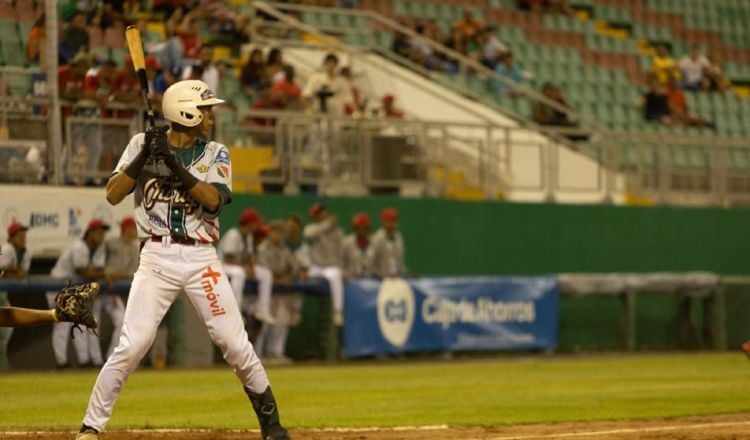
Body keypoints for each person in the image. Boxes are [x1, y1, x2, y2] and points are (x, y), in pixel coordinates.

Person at [75, 79, 289, 440]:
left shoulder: (216, 152)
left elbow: (213, 200)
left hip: (200, 257)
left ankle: (272, 426)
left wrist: (172, 163)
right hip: (156, 257)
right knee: (133, 345)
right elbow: (113, 195)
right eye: (204, 110)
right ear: (185, 112)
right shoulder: (140, 144)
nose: (210, 116)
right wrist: (146, 155)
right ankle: (90, 428)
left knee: (235, 344)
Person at [48, 219, 109, 369]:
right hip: (58, 284)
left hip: (74, 287)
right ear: (90, 233)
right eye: (99, 233)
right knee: (62, 324)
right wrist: (104, 275)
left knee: (80, 323)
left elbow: (99, 269)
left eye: (103, 233)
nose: (102, 236)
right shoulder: (79, 246)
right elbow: (80, 270)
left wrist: (105, 274)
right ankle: (61, 362)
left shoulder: (99, 248)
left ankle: (84, 360)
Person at [254, 221, 302, 364]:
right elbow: (264, 270)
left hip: (279, 292)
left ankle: (276, 352)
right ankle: (257, 354)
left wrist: (288, 275)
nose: (279, 235)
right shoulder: (263, 248)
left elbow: (295, 267)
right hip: (260, 293)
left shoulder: (284, 249)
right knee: (264, 322)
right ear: (269, 232)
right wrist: (281, 276)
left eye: (281, 232)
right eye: (276, 232)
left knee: (282, 320)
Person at [218, 208, 276, 324]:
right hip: (222, 265)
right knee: (239, 273)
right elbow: (229, 258)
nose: (257, 225)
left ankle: (262, 309)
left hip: (238, 266)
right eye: (255, 222)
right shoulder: (233, 234)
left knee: (266, 274)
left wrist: (251, 267)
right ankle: (236, 311)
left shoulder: (248, 236)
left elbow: (249, 257)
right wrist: (246, 268)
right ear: (249, 223)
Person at [100, 217, 139, 359]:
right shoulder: (109, 244)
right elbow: (99, 263)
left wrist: (118, 274)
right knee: (88, 327)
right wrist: (105, 272)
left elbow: (131, 272)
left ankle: (110, 357)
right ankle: (95, 359)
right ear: (126, 229)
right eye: (133, 228)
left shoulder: (134, 249)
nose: (135, 231)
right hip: (99, 287)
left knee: (122, 321)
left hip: (114, 291)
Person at [303, 203, 344, 326]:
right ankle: (295, 310)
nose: (323, 215)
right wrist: (327, 224)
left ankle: (338, 311)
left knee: (336, 275)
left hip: (329, 268)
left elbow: (341, 248)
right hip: (315, 268)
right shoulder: (311, 228)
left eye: (324, 212)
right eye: (320, 213)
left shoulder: (335, 231)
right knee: (299, 279)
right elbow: (308, 235)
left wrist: (330, 226)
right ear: (315, 216)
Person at [0, 222, 32, 349]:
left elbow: (23, 273)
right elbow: (4, 271)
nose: (23, 238)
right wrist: (11, 270)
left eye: (24, 235)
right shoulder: (6, 248)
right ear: (11, 238)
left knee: (8, 325)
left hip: (2, 294)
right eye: (19, 236)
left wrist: (12, 269)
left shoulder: (26, 251)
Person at [370, 208, 408, 279]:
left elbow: (400, 260)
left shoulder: (399, 237)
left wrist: (404, 272)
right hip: (381, 279)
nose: (392, 223)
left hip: (397, 278)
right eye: (390, 221)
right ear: (383, 222)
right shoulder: (377, 238)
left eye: (394, 220)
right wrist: (377, 275)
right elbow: (371, 262)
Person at [341, 213, 372, 280]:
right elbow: (341, 263)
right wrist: (344, 274)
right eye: (358, 227)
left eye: (364, 227)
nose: (361, 230)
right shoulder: (347, 243)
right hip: (352, 279)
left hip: (371, 278)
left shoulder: (374, 242)